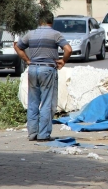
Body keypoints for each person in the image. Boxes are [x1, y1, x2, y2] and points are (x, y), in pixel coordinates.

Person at [14, 11, 72, 141]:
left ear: (39, 21)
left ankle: (32, 133)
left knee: (33, 102)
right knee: (47, 102)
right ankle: (43, 134)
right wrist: (63, 61)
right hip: (48, 69)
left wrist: (27, 60)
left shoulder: (30, 34)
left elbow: (17, 47)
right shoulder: (55, 34)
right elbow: (68, 49)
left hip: (33, 69)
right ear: (52, 21)